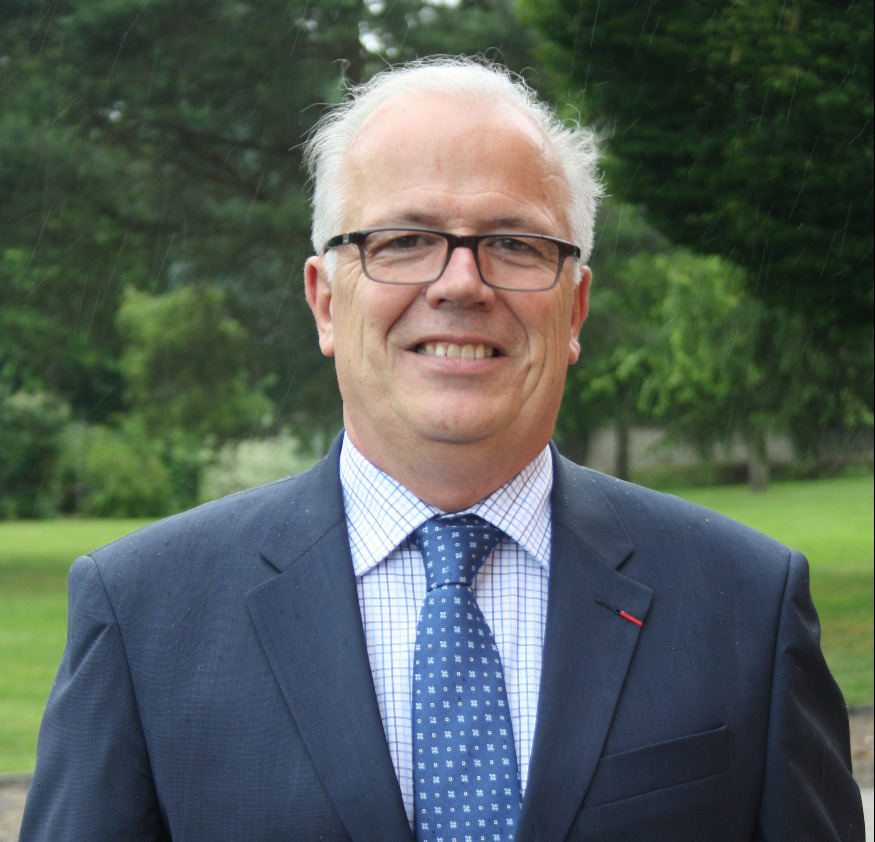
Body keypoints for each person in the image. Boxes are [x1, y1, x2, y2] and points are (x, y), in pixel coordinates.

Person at [19, 57, 863, 842]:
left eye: (514, 244)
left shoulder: (746, 605)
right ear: (324, 301)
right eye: (402, 241)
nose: (461, 283)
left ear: (573, 309)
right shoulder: (143, 616)